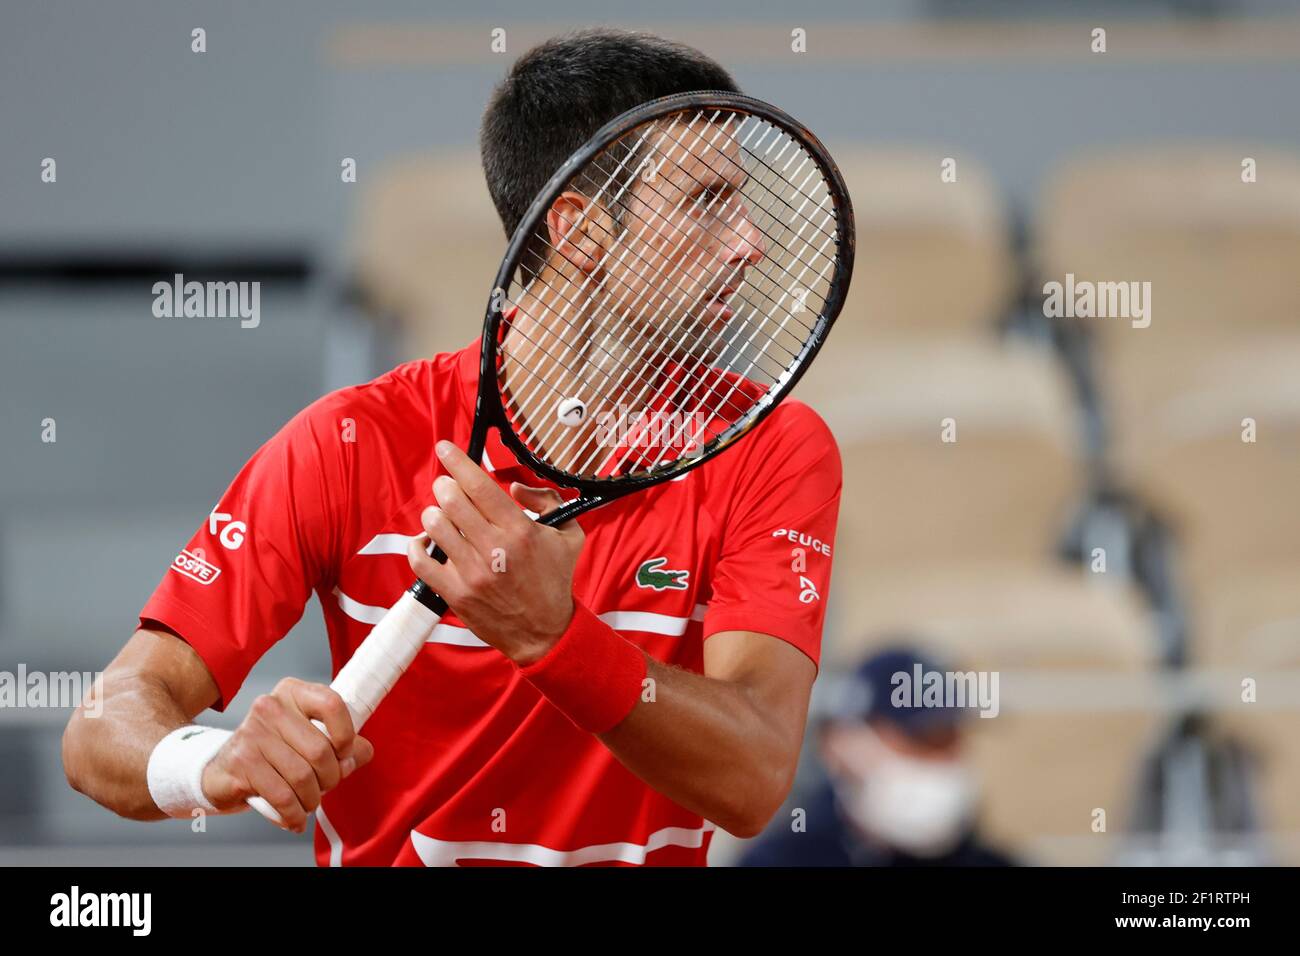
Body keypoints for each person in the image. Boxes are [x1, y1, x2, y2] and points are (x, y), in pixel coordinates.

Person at [60, 28, 842, 867]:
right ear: (581, 235)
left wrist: (555, 638)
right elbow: (100, 726)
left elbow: (756, 775)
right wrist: (210, 762)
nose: (751, 243)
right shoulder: (350, 442)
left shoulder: (770, 449)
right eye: (708, 202)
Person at [741, 646, 1016, 867]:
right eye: (922, 739)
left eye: (951, 741)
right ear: (841, 744)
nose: (941, 761)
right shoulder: (780, 860)